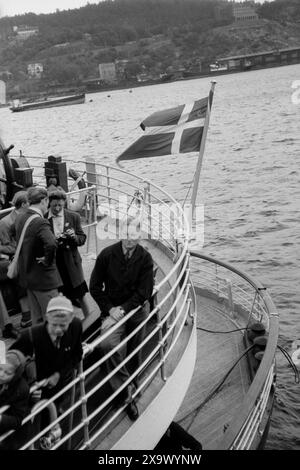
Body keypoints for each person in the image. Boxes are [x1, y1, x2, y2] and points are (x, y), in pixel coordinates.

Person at [89, 217, 154, 421]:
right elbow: (95, 287)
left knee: (136, 347)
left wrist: (123, 310)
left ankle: (134, 375)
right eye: (126, 235)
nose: (129, 240)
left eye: (133, 236)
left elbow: (144, 292)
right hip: (113, 310)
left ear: (139, 236)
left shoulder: (145, 258)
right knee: (106, 345)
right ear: (120, 234)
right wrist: (110, 310)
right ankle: (126, 390)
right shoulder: (107, 255)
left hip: (134, 309)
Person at [11, 294, 83, 399]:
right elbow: (9, 367)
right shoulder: (29, 336)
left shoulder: (76, 326)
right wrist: (28, 389)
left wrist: (58, 375)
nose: (58, 330)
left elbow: (77, 355)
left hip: (58, 388)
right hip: (34, 393)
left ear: (71, 319)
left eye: (63, 325)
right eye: (54, 324)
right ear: (47, 317)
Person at [14, 187, 61, 324]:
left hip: (29, 278)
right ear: (44, 200)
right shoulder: (40, 222)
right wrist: (47, 260)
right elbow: (51, 243)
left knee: (38, 320)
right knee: (54, 319)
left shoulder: (20, 217)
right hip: (44, 281)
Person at [46, 190, 91, 319]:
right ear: (49, 203)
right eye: (54, 205)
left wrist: (74, 237)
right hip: (55, 262)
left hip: (71, 261)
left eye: (60, 205)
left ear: (64, 203)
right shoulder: (43, 218)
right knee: (60, 296)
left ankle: (90, 320)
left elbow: (82, 238)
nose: (57, 208)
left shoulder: (73, 217)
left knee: (80, 293)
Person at [0, 191, 32, 328]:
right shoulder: (5, 223)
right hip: (13, 257)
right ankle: (26, 315)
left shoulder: (27, 217)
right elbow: (5, 245)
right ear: (24, 204)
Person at [0, 350, 30, 444]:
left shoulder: (22, 389)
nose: (1, 375)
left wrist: (1, 418)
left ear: (16, 375)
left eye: (7, 373)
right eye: (0, 369)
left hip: (8, 436)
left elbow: (17, 420)